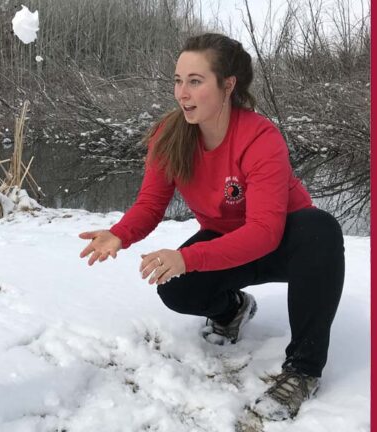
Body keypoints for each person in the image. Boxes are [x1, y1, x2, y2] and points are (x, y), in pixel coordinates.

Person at [78, 33, 344, 422]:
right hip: (229, 240)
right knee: (174, 287)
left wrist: (190, 256)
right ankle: (233, 308)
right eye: (177, 80)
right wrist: (120, 233)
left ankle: (303, 370)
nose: (182, 93)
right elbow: (152, 204)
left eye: (195, 81)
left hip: (287, 240)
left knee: (322, 229)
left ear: (228, 85)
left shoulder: (260, 138)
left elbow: (266, 232)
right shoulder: (169, 136)